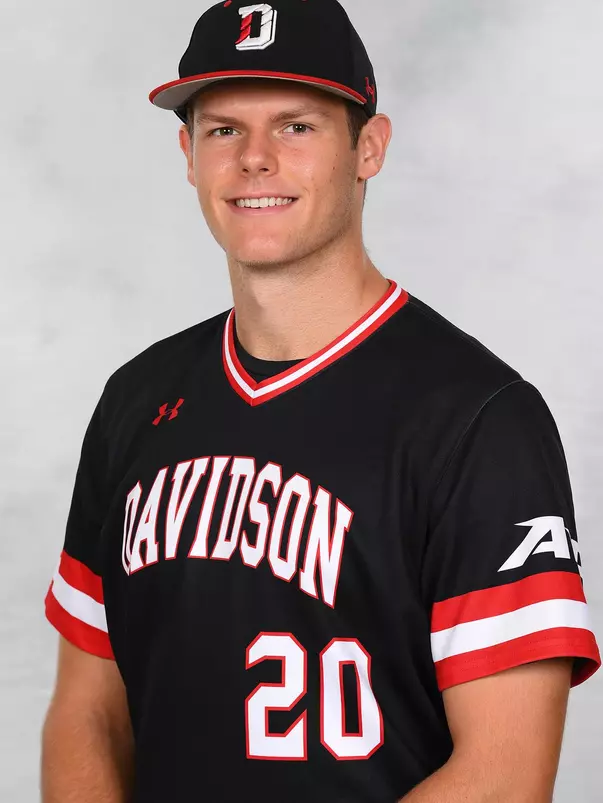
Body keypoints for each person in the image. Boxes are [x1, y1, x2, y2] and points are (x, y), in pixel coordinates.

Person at [41, 1, 600, 801]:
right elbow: (87, 713)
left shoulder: (479, 418)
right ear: (187, 153)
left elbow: (504, 773)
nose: (254, 159)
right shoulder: (136, 398)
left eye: (296, 126)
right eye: (223, 129)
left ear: (367, 147)